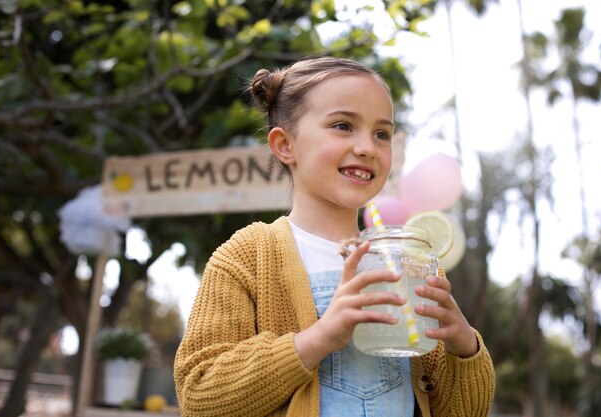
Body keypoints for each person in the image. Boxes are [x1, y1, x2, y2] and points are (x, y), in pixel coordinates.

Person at [174, 56, 495, 417]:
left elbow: (464, 411)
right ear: (285, 145)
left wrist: (463, 346)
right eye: (343, 126)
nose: (367, 148)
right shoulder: (247, 256)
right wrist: (320, 337)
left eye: (382, 134)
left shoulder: (406, 263)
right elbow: (199, 394)